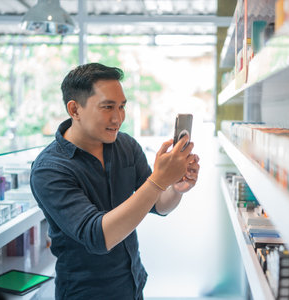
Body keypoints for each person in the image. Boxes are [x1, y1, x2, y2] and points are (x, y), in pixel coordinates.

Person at [30, 63, 200, 300]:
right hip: (85, 294)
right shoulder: (49, 169)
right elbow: (98, 237)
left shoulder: (126, 146)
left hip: (132, 285)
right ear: (75, 110)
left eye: (121, 106)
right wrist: (159, 180)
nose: (118, 117)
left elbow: (158, 205)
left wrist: (175, 188)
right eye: (107, 107)